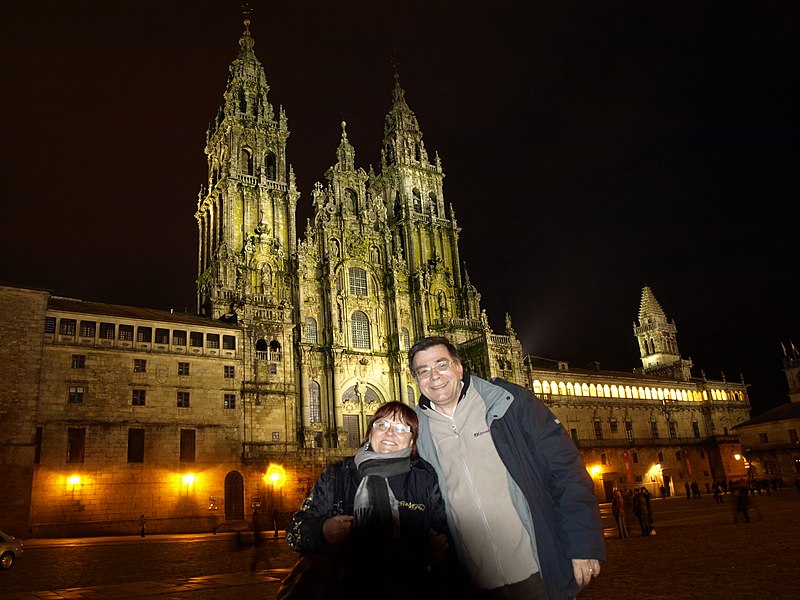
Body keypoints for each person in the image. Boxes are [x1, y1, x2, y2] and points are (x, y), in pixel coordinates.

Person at [409, 336, 605, 600]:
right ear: (416, 380)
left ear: (459, 367)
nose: (434, 376)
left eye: (441, 365)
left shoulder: (509, 402)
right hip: (471, 582)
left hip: (535, 570)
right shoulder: (414, 429)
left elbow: (566, 471)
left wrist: (583, 544)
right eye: (423, 371)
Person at [279, 401, 459, 600]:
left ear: (412, 441)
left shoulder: (424, 480)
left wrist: (435, 551)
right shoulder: (337, 477)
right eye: (382, 425)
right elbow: (292, 533)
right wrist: (323, 530)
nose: (390, 433)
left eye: (400, 428)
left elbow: (449, 540)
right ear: (370, 432)